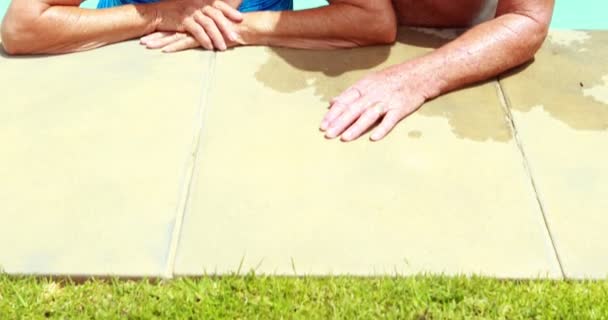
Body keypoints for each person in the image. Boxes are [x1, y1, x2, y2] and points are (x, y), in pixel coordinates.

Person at [2, 0, 555, 142]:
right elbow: (22, 27)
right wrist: (161, 13)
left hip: (461, 32)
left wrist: (417, 75)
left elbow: (370, 21)